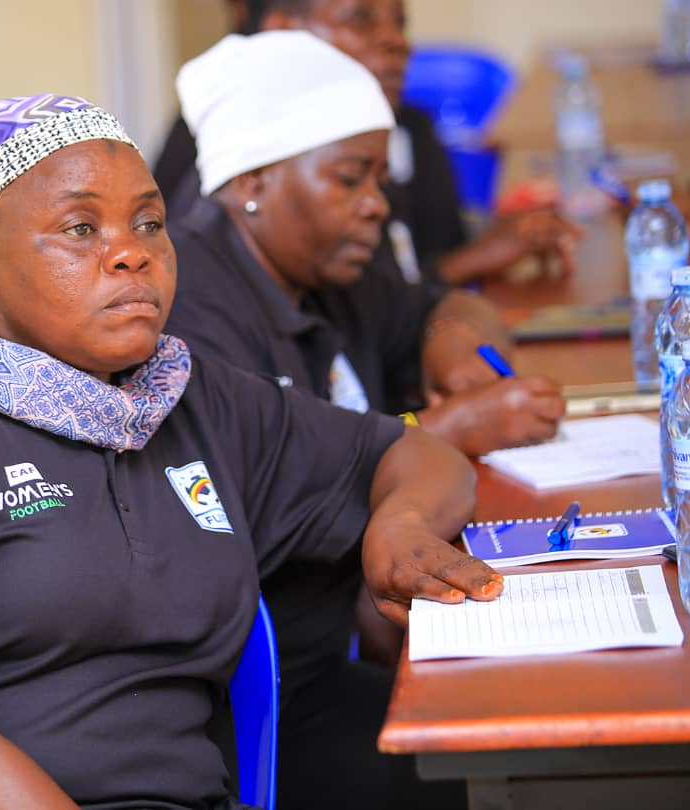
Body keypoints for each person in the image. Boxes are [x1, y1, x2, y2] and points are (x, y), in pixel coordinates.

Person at [0, 93, 503, 810]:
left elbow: (418, 457)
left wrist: (398, 527)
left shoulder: (184, 396)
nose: (130, 254)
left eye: (149, 223)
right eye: (80, 228)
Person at [166, 32, 566, 810]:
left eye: (380, 179)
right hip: (262, 705)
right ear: (253, 179)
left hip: (359, 633)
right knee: (504, 773)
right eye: (351, 179)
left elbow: (450, 302)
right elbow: (266, 491)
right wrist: (445, 427)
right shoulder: (194, 309)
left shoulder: (332, 257)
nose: (377, 205)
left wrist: (458, 349)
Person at [153, 0, 583, 286]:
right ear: (280, 31)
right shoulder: (219, 146)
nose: (396, 41)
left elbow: (412, 279)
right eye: (360, 18)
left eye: (400, 23)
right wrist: (471, 261)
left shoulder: (411, 126)